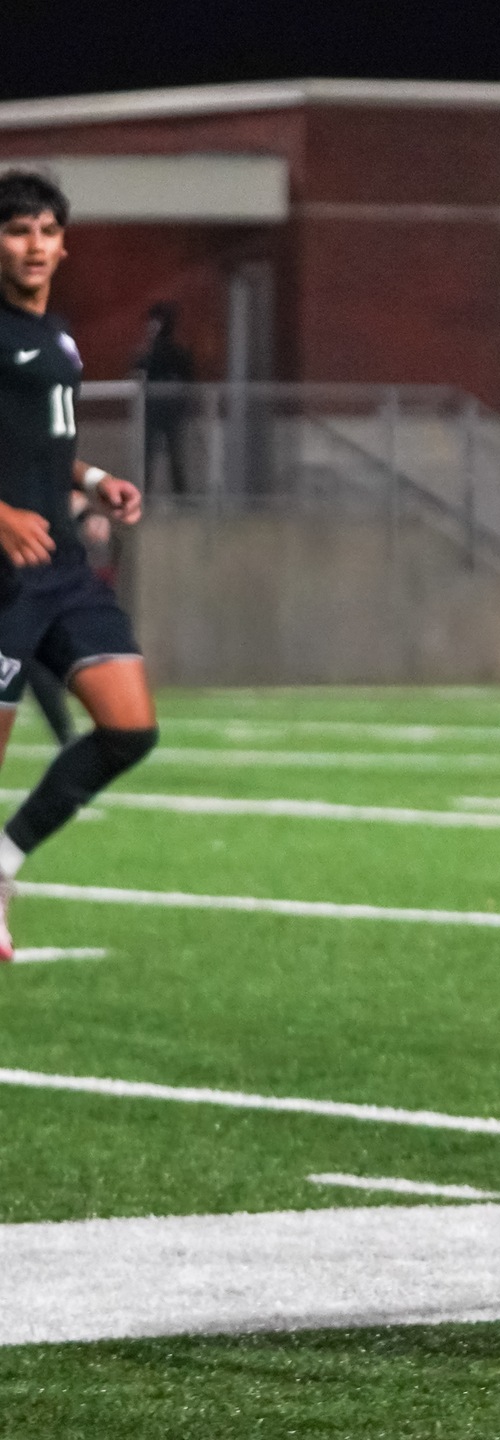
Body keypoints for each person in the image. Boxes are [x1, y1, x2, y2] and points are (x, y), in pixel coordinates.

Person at [0, 170, 158, 960]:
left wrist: (95, 479)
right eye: (17, 230)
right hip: (1, 576)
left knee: (130, 728)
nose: (34, 246)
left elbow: (43, 446)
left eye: (46, 231)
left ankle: (5, 860)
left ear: (64, 244)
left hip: (60, 565)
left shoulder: (58, 334)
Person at [131, 302, 193, 495]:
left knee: (175, 456)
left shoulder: (175, 353)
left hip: (170, 412)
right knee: (148, 456)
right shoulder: (148, 354)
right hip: (150, 411)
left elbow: (188, 378)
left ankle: (180, 495)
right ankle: (144, 493)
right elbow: (139, 371)